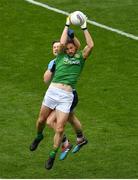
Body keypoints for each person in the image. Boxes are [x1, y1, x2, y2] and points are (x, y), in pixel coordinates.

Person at [30, 15, 94, 170]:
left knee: (59, 128)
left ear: (76, 48)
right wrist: (67, 23)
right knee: (41, 121)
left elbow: (90, 45)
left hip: (67, 96)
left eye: (72, 48)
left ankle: (52, 154)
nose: (69, 49)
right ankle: (39, 136)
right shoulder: (60, 56)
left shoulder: (80, 57)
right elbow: (63, 40)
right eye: (67, 48)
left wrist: (84, 27)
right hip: (52, 92)